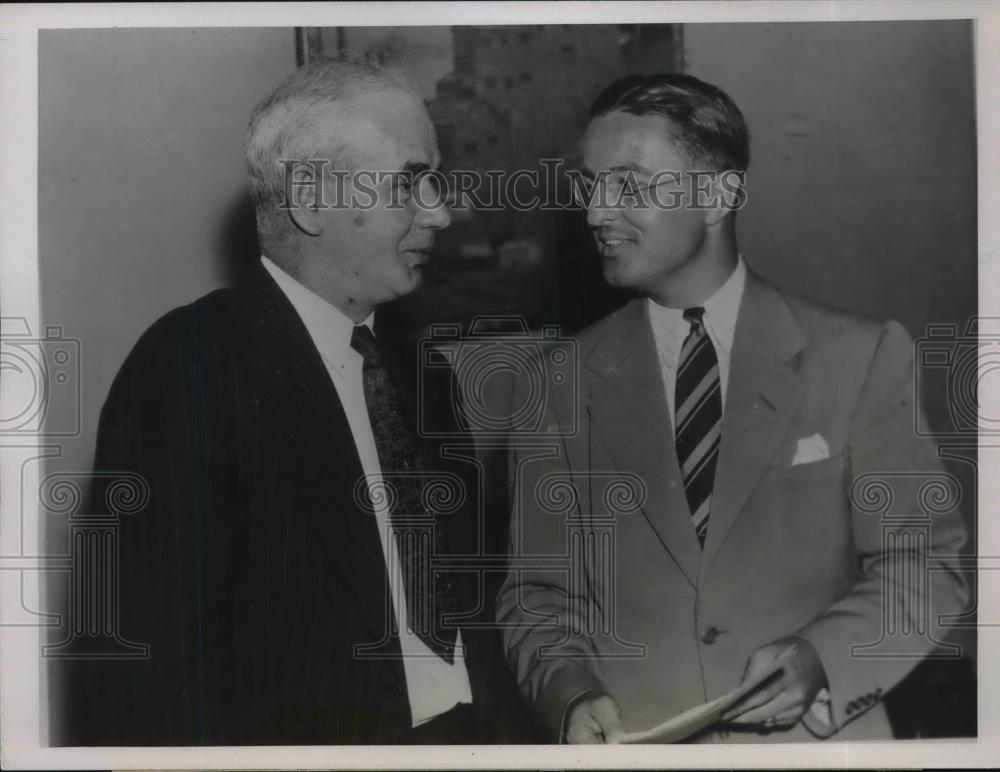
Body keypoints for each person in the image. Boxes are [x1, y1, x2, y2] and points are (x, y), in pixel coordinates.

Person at [61, 55, 532, 745]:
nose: (441, 211)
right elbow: (142, 676)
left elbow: (471, 609)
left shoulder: (417, 367)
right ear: (311, 199)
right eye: (412, 181)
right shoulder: (189, 365)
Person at [496, 73, 969, 744]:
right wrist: (569, 697)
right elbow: (537, 598)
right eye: (589, 185)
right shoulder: (553, 384)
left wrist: (823, 658)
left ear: (717, 196)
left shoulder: (859, 358)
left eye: (627, 185)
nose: (596, 212)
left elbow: (925, 567)